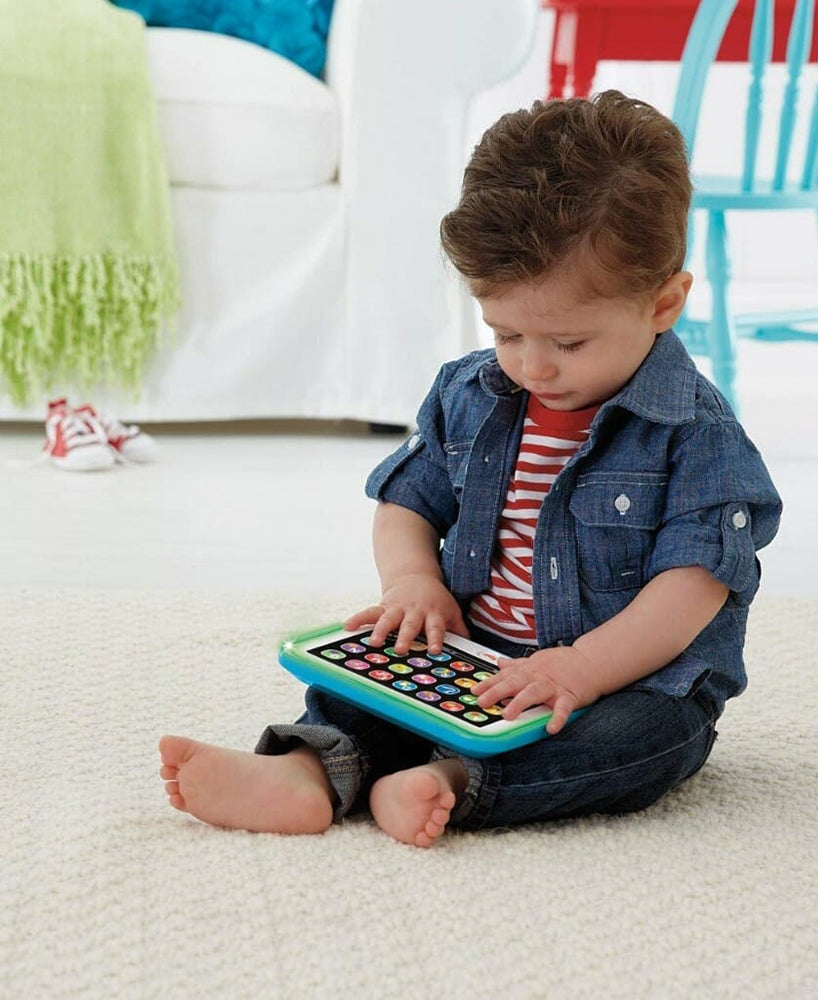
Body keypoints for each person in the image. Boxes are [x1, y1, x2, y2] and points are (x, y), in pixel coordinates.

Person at [159, 90, 782, 847]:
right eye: (506, 331)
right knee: (372, 670)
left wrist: (580, 670)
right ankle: (307, 770)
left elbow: (694, 587)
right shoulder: (472, 393)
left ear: (664, 303)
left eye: (570, 343)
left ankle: (456, 782)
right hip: (471, 654)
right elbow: (406, 503)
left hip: (619, 677)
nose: (533, 365)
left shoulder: (695, 435)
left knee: (653, 740)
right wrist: (413, 583)